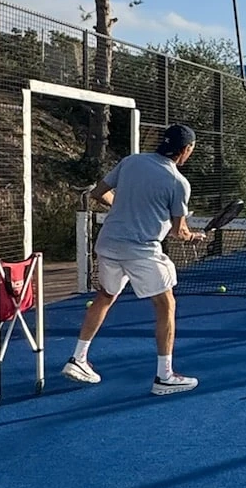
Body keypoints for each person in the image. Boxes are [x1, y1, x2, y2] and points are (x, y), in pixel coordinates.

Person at [63, 123, 201, 395]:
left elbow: (98, 193)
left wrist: (127, 207)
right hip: (141, 250)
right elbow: (178, 231)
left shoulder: (131, 162)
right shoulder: (178, 183)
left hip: (109, 244)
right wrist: (193, 236)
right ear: (185, 150)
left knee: (105, 295)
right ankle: (164, 377)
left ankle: (78, 358)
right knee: (166, 305)